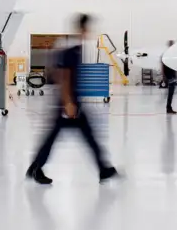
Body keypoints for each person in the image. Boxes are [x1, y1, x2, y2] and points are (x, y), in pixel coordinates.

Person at [27, 14, 117, 185]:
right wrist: (68, 102)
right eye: (88, 29)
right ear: (83, 29)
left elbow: (55, 72)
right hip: (68, 103)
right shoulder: (73, 50)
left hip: (70, 101)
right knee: (72, 136)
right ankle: (36, 168)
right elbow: (64, 76)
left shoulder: (73, 48)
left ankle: (103, 168)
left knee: (85, 136)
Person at [162, 40, 177, 114]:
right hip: (170, 77)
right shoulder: (167, 55)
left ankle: (169, 107)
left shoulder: (170, 55)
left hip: (172, 77)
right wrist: (165, 77)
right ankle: (168, 108)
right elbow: (163, 67)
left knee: (171, 94)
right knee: (170, 94)